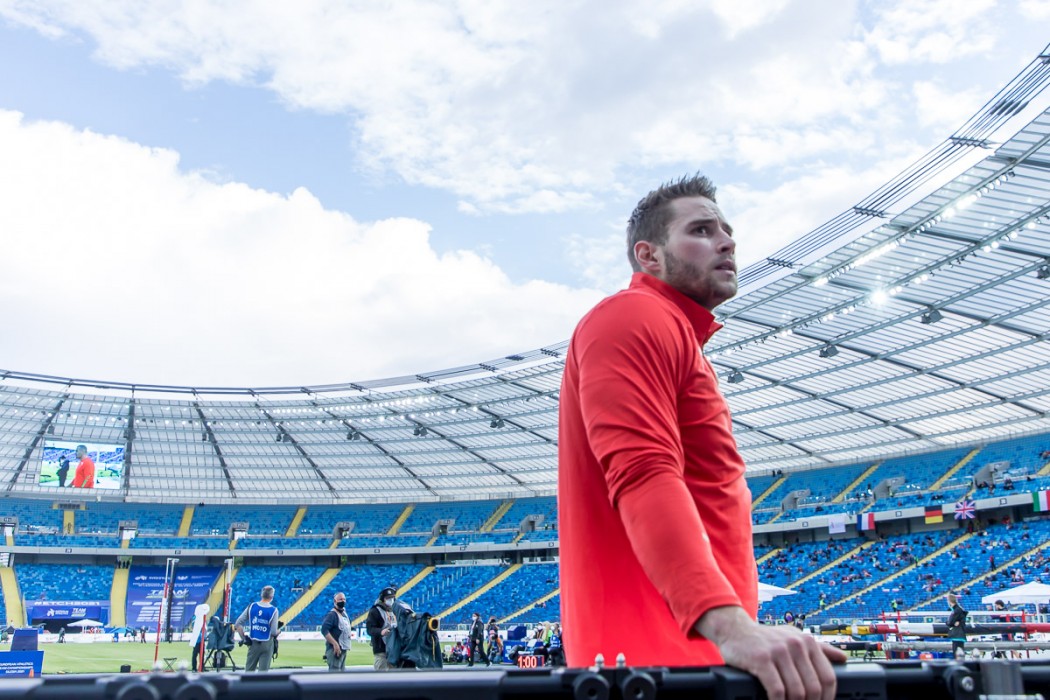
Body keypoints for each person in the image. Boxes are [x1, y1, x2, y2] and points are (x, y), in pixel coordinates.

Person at [558, 175, 845, 700]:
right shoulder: (633, 315)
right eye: (701, 230)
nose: (727, 241)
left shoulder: (674, 335)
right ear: (649, 255)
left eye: (727, 230)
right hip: (660, 670)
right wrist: (731, 627)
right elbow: (643, 472)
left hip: (687, 662)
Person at [234, 585, 280, 672]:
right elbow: (273, 632)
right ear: (272, 597)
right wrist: (279, 631)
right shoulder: (274, 610)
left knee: (249, 671)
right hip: (267, 644)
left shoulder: (252, 606)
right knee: (263, 673)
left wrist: (244, 638)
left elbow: (238, 623)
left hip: (253, 643)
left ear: (261, 595)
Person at [366, 586, 398, 671]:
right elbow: (370, 629)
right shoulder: (375, 611)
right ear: (382, 599)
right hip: (381, 649)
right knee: (381, 674)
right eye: (388, 598)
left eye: (392, 598)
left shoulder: (394, 610)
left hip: (394, 649)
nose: (391, 600)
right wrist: (381, 631)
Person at [322, 592, 352, 672]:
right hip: (334, 650)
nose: (343, 601)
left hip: (343, 649)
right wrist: (335, 644)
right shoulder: (332, 615)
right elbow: (324, 630)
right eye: (340, 599)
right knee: (335, 674)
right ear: (335, 601)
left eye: (344, 599)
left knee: (341, 674)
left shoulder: (344, 614)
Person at [947, 593, 968, 658]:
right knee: (960, 654)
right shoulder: (958, 609)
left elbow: (950, 622)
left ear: (949, 601)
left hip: (957, 635)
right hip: (960, 634)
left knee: (956, 654)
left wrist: (949, 623)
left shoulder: (956, 610)